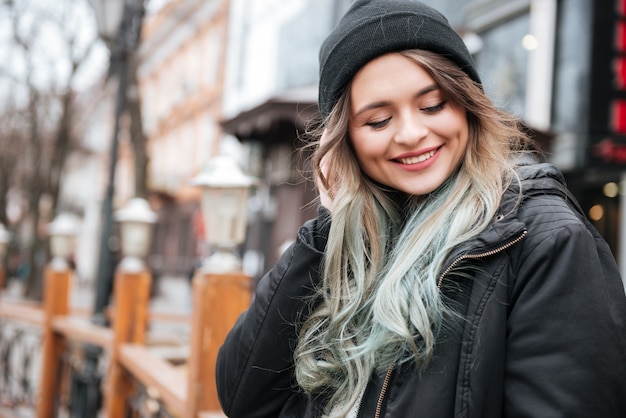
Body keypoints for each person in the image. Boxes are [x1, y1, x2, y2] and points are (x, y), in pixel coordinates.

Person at [215, 1, 626, 417]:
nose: (412, 134)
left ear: (467, 107)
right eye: (378, 120)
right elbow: (246, 397)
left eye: (432, 105)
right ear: (346, 141)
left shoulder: (545, 241)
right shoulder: (349, 244)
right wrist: (326, 230)